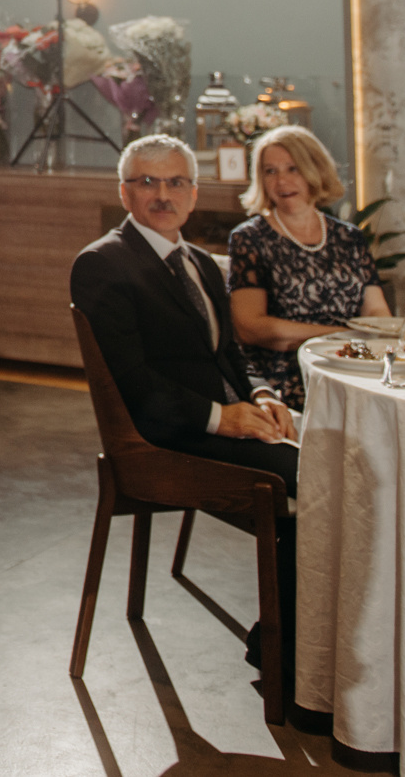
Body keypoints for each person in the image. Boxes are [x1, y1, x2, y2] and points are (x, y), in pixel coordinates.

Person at [72, 134, 296, 684]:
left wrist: (262, 396)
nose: (162, 194)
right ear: (124, 193)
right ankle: (285, 659)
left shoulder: (200, 262)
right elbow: (135, 386)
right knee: (308, 474)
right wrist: (224, 418)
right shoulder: (102, 263)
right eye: (147, 182)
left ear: (194, 195)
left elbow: (230, 355)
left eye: (176, 182)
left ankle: (295, 643)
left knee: (332, 459)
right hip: (160, 440)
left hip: (215, 422)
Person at [228, 125, 389, 409]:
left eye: (292, 169)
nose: (281, 181)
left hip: (353, 370)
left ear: (315, 170)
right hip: (287, 381)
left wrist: (367, 338)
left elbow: (377, 313)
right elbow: (250, 328)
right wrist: (340, 335)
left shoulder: (349, 237)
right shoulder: (249, 238)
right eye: (270, 171)